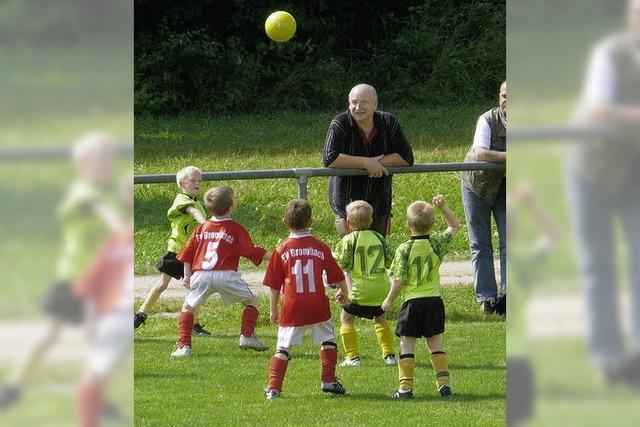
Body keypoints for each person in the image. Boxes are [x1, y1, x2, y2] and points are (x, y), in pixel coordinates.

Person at [0, 132, 123, 409]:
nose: (108, 164)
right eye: (101, 159)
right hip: (74, 278)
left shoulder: (107, 192)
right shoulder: (84, 192)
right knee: (50, 334)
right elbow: (105, 215)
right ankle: (13, 386)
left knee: (96, 338)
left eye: (110, 158)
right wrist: (121, 231)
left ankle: (97, 397)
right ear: (83, 164)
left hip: (97, 282)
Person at [566, 0, 640, 385]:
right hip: (591, 169)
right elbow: (597, 108)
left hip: (632, 169)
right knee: (598, 263)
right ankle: (607, 358)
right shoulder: (610, 55)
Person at [262, 199, 349, 399]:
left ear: (285, 222)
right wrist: (344, 291)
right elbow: (337, 274)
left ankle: (274, 388)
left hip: (293, 306)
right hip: (317, 303)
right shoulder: (320, 246)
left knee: (283, 347)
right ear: (311, 222)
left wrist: (273, 309)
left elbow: (274, 285)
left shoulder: (281, 249)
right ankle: (328, 381)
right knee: (328, 340)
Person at [170, 185, 270, 358]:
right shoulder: (235, 228)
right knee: (252, 301)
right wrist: (276, 256)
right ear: (231, 206)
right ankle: (247, 336)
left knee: (188, 307)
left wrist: (187, 276)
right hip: (226, 274)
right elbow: (251, 251)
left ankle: (183, 346)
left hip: (200, 274)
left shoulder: (201, 228)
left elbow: (187, 253)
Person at [381, 195, 459, 399]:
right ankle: (444, 384)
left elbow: (399, 279)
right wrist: (442, 207)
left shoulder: (404, 249)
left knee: (407, 343)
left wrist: (389, 299)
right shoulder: (436, 243)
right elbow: (454, 226)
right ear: (432, 224)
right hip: (434, 301)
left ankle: (405, 389)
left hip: (412, 303)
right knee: (435, 343)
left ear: (408, 225)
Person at [323, 83, 414, 237]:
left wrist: (377, 163)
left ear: (375, 104)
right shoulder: (339, 123)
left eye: (364, 102)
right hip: (347, 205)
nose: (358, 107)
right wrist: (366, 163)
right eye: (354, 102)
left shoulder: (389, 122)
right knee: (350, 256)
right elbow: (329, 158)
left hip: (379, 203)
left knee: (377, 254)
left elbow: (407, 157)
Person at [134, 166, 211, 336]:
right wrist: (205, 223)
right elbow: (191, 211)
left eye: (200, 180)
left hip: (192, 254)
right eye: (193, 180)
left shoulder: (199, 203)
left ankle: (193, 323)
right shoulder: (181, 200)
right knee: (162, 284)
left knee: (195, 288)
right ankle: (141, 313)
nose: (198, 183)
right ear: (182, 183)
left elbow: (197, 211)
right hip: (176, 251)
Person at [461, 81, 507, 313]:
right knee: (480, 243)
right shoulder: (487, 120)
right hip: (477, 185)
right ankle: (486, 298)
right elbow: (480, 153)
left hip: (507, 184)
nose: (508, 100)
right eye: (504, 95)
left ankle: (509, 295)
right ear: (499, 97)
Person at [333, 200, 396, 367]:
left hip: (360, 290)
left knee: (346, 318)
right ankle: (389, 355)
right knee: (380, 318)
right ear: (371, 220)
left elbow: (343, 264)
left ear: (348, 222)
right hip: (381, 287)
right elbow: (390, 260)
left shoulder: (349, 241)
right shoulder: (379, 238)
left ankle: (352, 357)